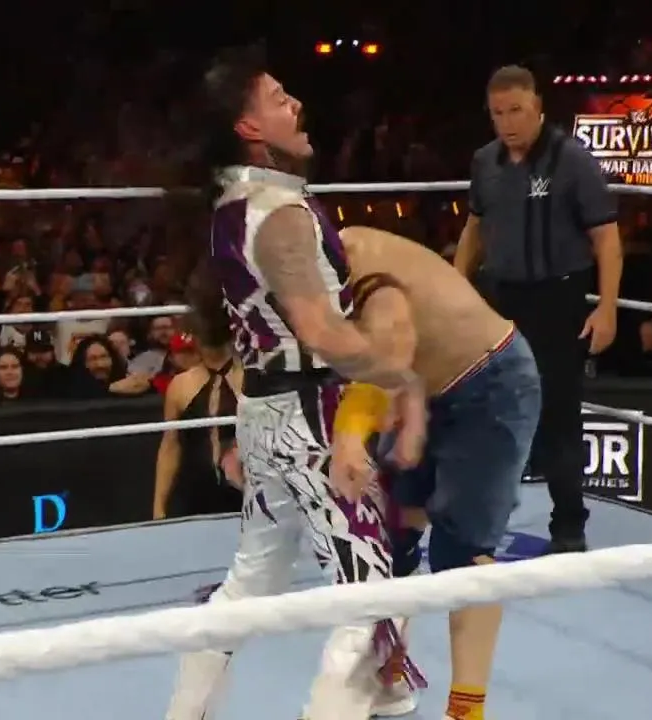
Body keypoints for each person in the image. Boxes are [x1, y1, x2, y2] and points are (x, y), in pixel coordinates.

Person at [163, 44, 428, 720]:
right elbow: (320, 331)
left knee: (252, 580)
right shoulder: (276, 214)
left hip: (265, 410)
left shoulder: (233, 204)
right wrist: (399, 378)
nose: (297, 104)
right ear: (249, 127)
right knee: (366, 592)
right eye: (280, 99)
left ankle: (187, 715)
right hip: (312, 412)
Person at [332, 225, 542, 720]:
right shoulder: (303, 282)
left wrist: (352, 433)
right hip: (420, 390)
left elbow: (389, 352)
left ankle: (467, 712)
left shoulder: (359, 263)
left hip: (489, 379)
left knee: (462, 553)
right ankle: (390, 674)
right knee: (392, 532)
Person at [453, 65, 623, 553]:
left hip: (558, 299)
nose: (508, 122)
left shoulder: (572, 159)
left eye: (516, 111)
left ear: (538, 107)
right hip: (500, 298)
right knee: (490, 409)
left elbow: (607, 238)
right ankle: (482, 522)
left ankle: (568, 527)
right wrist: (456, 287)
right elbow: (474, 228)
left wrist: (607, 308)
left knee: (558, 413)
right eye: (498, 113)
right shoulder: (485, 162)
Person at [152, 314, 243, 520]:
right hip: (198, 491)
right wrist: (159, 508)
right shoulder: (181, 385)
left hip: (250, 486)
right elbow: (170, 445)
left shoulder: (251, 376)